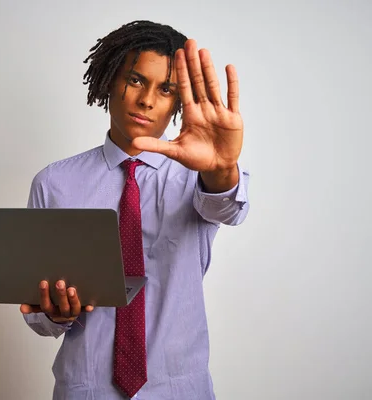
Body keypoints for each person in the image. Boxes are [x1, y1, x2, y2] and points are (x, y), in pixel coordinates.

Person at [19, 20, 250, 399]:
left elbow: (229, 208)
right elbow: (40, 316)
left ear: (178, 101)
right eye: (137, 80)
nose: (147, 100)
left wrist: (221, 167)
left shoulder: (200, 174)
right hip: (88, 389)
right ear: (109, 81)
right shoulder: (54, 183)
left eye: (166, 89)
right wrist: (56, 313)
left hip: (180, 390)